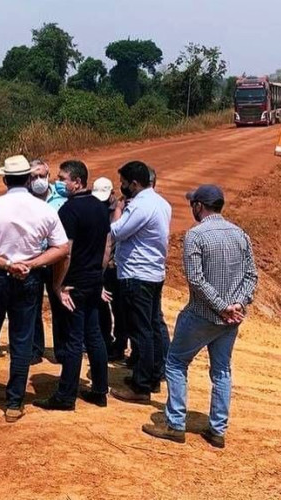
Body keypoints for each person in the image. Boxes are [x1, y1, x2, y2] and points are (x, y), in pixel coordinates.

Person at [142, 185, 258, 448]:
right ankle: (217, 430)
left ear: (199, 206)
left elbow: (196, 280)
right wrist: (236, 305)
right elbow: (251, 276)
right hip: (230, 320)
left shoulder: (195, 236)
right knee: (222, 370)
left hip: (201, 315)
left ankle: (175, 425)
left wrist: (220, 306)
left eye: (192, 204)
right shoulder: (240, 234)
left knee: (175, 363)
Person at [0, 155, 69, 423]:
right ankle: (14, 403)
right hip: (29, 279)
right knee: (22, 341)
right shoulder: (44, 210)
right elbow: (62, 248)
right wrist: (31, 263)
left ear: (5, 179)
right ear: (30, 179)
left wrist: (7, 264)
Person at [33, 160, 110, 411]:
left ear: (77, 182)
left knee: (74, 339)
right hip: (93, 280)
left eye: (63, 178)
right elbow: (107, 245)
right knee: (95, 335)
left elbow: (65, 252)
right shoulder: (100, 207)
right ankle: (99, 390)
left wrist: (58, 285)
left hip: (73, 283)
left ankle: (66, 396)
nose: (59, 182)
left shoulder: (69, 211)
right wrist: (98, 275)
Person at [108, 161, 172, 404]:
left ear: (134, 184)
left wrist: (118, 212)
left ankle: (141, 386)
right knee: (152, 326)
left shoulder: (141, 206)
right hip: (153, 273)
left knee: (141, 330)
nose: (122, 188)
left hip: (137, 275)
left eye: (124, 183)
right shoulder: (161, 203)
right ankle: (152, 375)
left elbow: (118, 231)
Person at [28, 159, 66, 364]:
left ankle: (61, 349)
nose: (38, 180)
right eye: (34, 177)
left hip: (56, 259)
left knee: (58, 302)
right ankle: (35, 349)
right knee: (32, 305)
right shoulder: (24, 200)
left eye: (41, 176)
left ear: (49, 175)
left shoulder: (61, 198)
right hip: (33, 259)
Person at [92, 177, 126, 361]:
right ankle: (105, 341)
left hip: (114, 266)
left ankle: (119, 346)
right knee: (101, 306)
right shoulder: (96, 206)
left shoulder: (118, 209)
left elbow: (113, 237)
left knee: (119, 308)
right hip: (100, 264)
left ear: (112, 193)